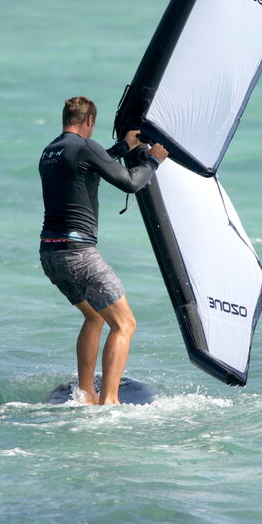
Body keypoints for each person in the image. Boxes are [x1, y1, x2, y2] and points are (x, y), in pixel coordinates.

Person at [38, 96, 170, 405]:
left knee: (95, 317)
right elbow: (130, 183)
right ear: (90, 122)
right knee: (124, 324)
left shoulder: (51, 151)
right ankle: (109, 401)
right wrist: (154, 159)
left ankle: (86, 393)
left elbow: (90, 165)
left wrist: (123, 147)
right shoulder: (85, 146)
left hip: (51, 253)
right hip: (79, 254)